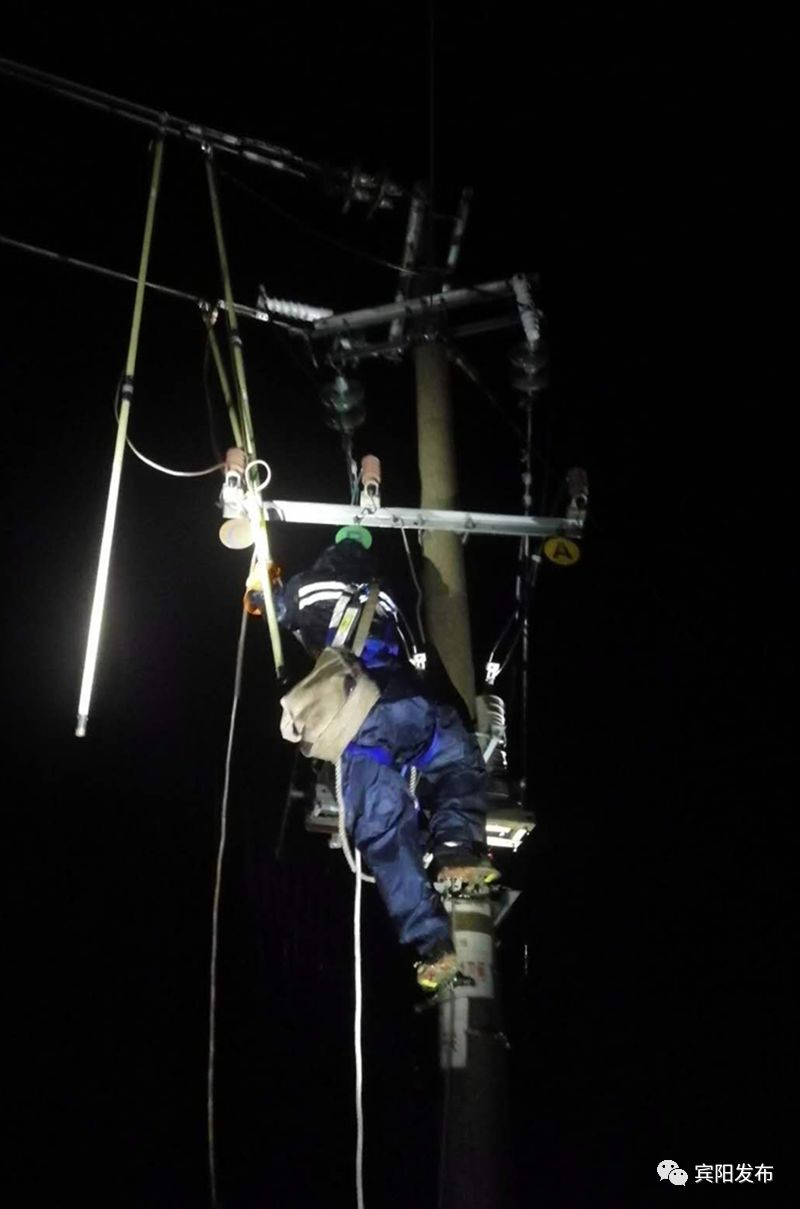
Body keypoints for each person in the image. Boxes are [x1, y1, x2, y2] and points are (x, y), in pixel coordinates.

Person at [245, 524, 499, 992]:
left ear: (331, 554)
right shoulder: (390, 598)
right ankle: (456, 850)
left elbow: (269, 605)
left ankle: (433, 944)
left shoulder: (308, 586)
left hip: (361, 726)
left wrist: (263, 586)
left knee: (385, 833)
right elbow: (414, 653)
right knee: (458, 761)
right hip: (413, 710)